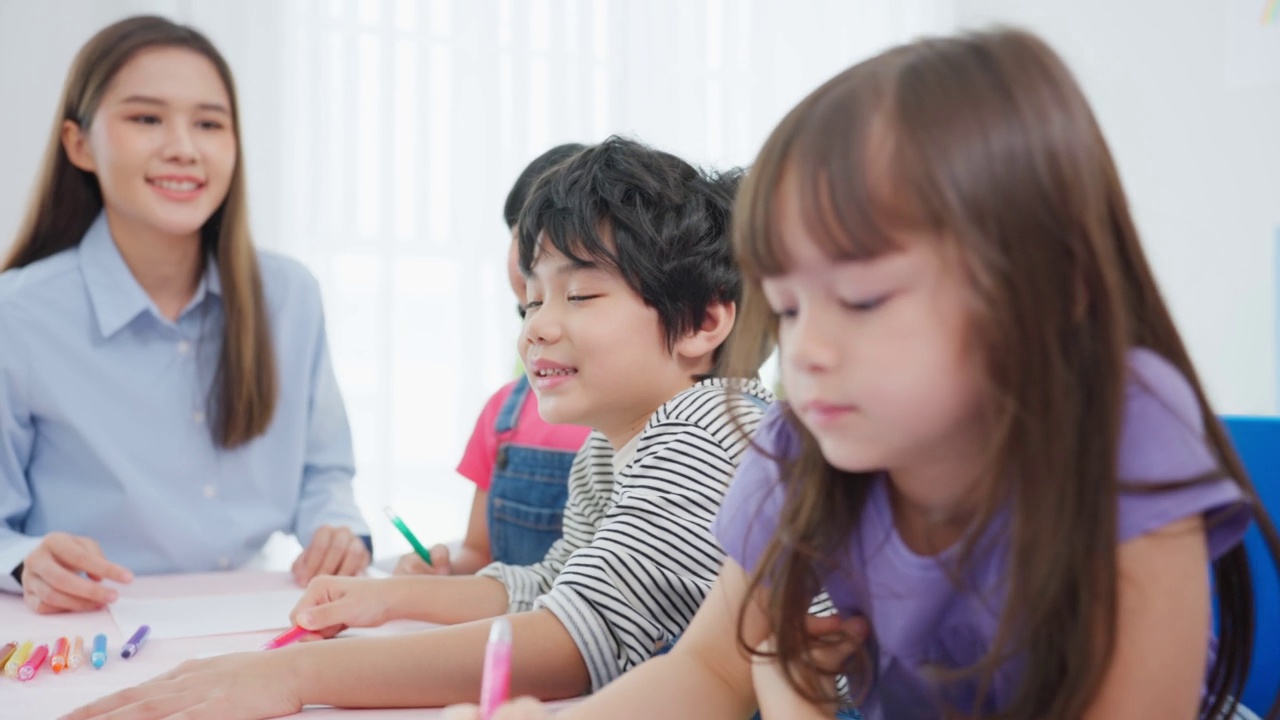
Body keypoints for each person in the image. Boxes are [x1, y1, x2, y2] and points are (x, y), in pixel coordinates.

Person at [447, 27, 1280, 720]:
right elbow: (707, 671)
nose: (806, 352)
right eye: (793, 306)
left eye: (863, 299)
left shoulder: (1125, 424)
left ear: (1039, 292)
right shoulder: (797, 447)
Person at [65, 136, 776, 719]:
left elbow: (571, 638)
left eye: (580, 293)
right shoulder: (608, 449)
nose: (538, 329)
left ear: (706, 321)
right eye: (529, 304)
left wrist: (300, 674)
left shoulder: (707, 427)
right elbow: (555, 587)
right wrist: (388, 596)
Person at [0, 15, 372, 615]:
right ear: (78, 143)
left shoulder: (289, 296)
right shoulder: (17, 316)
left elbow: (325, 474)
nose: (184, 147)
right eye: (146, 118)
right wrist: (25, 560)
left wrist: (337, 530)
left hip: (256, 615)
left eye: (209, 123)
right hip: (89, 622)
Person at [393, 144, 592, 577]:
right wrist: (443, 574)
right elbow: (479, 555)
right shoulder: (505, 412)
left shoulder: (653, 423)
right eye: (521, 233)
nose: (533, 255)